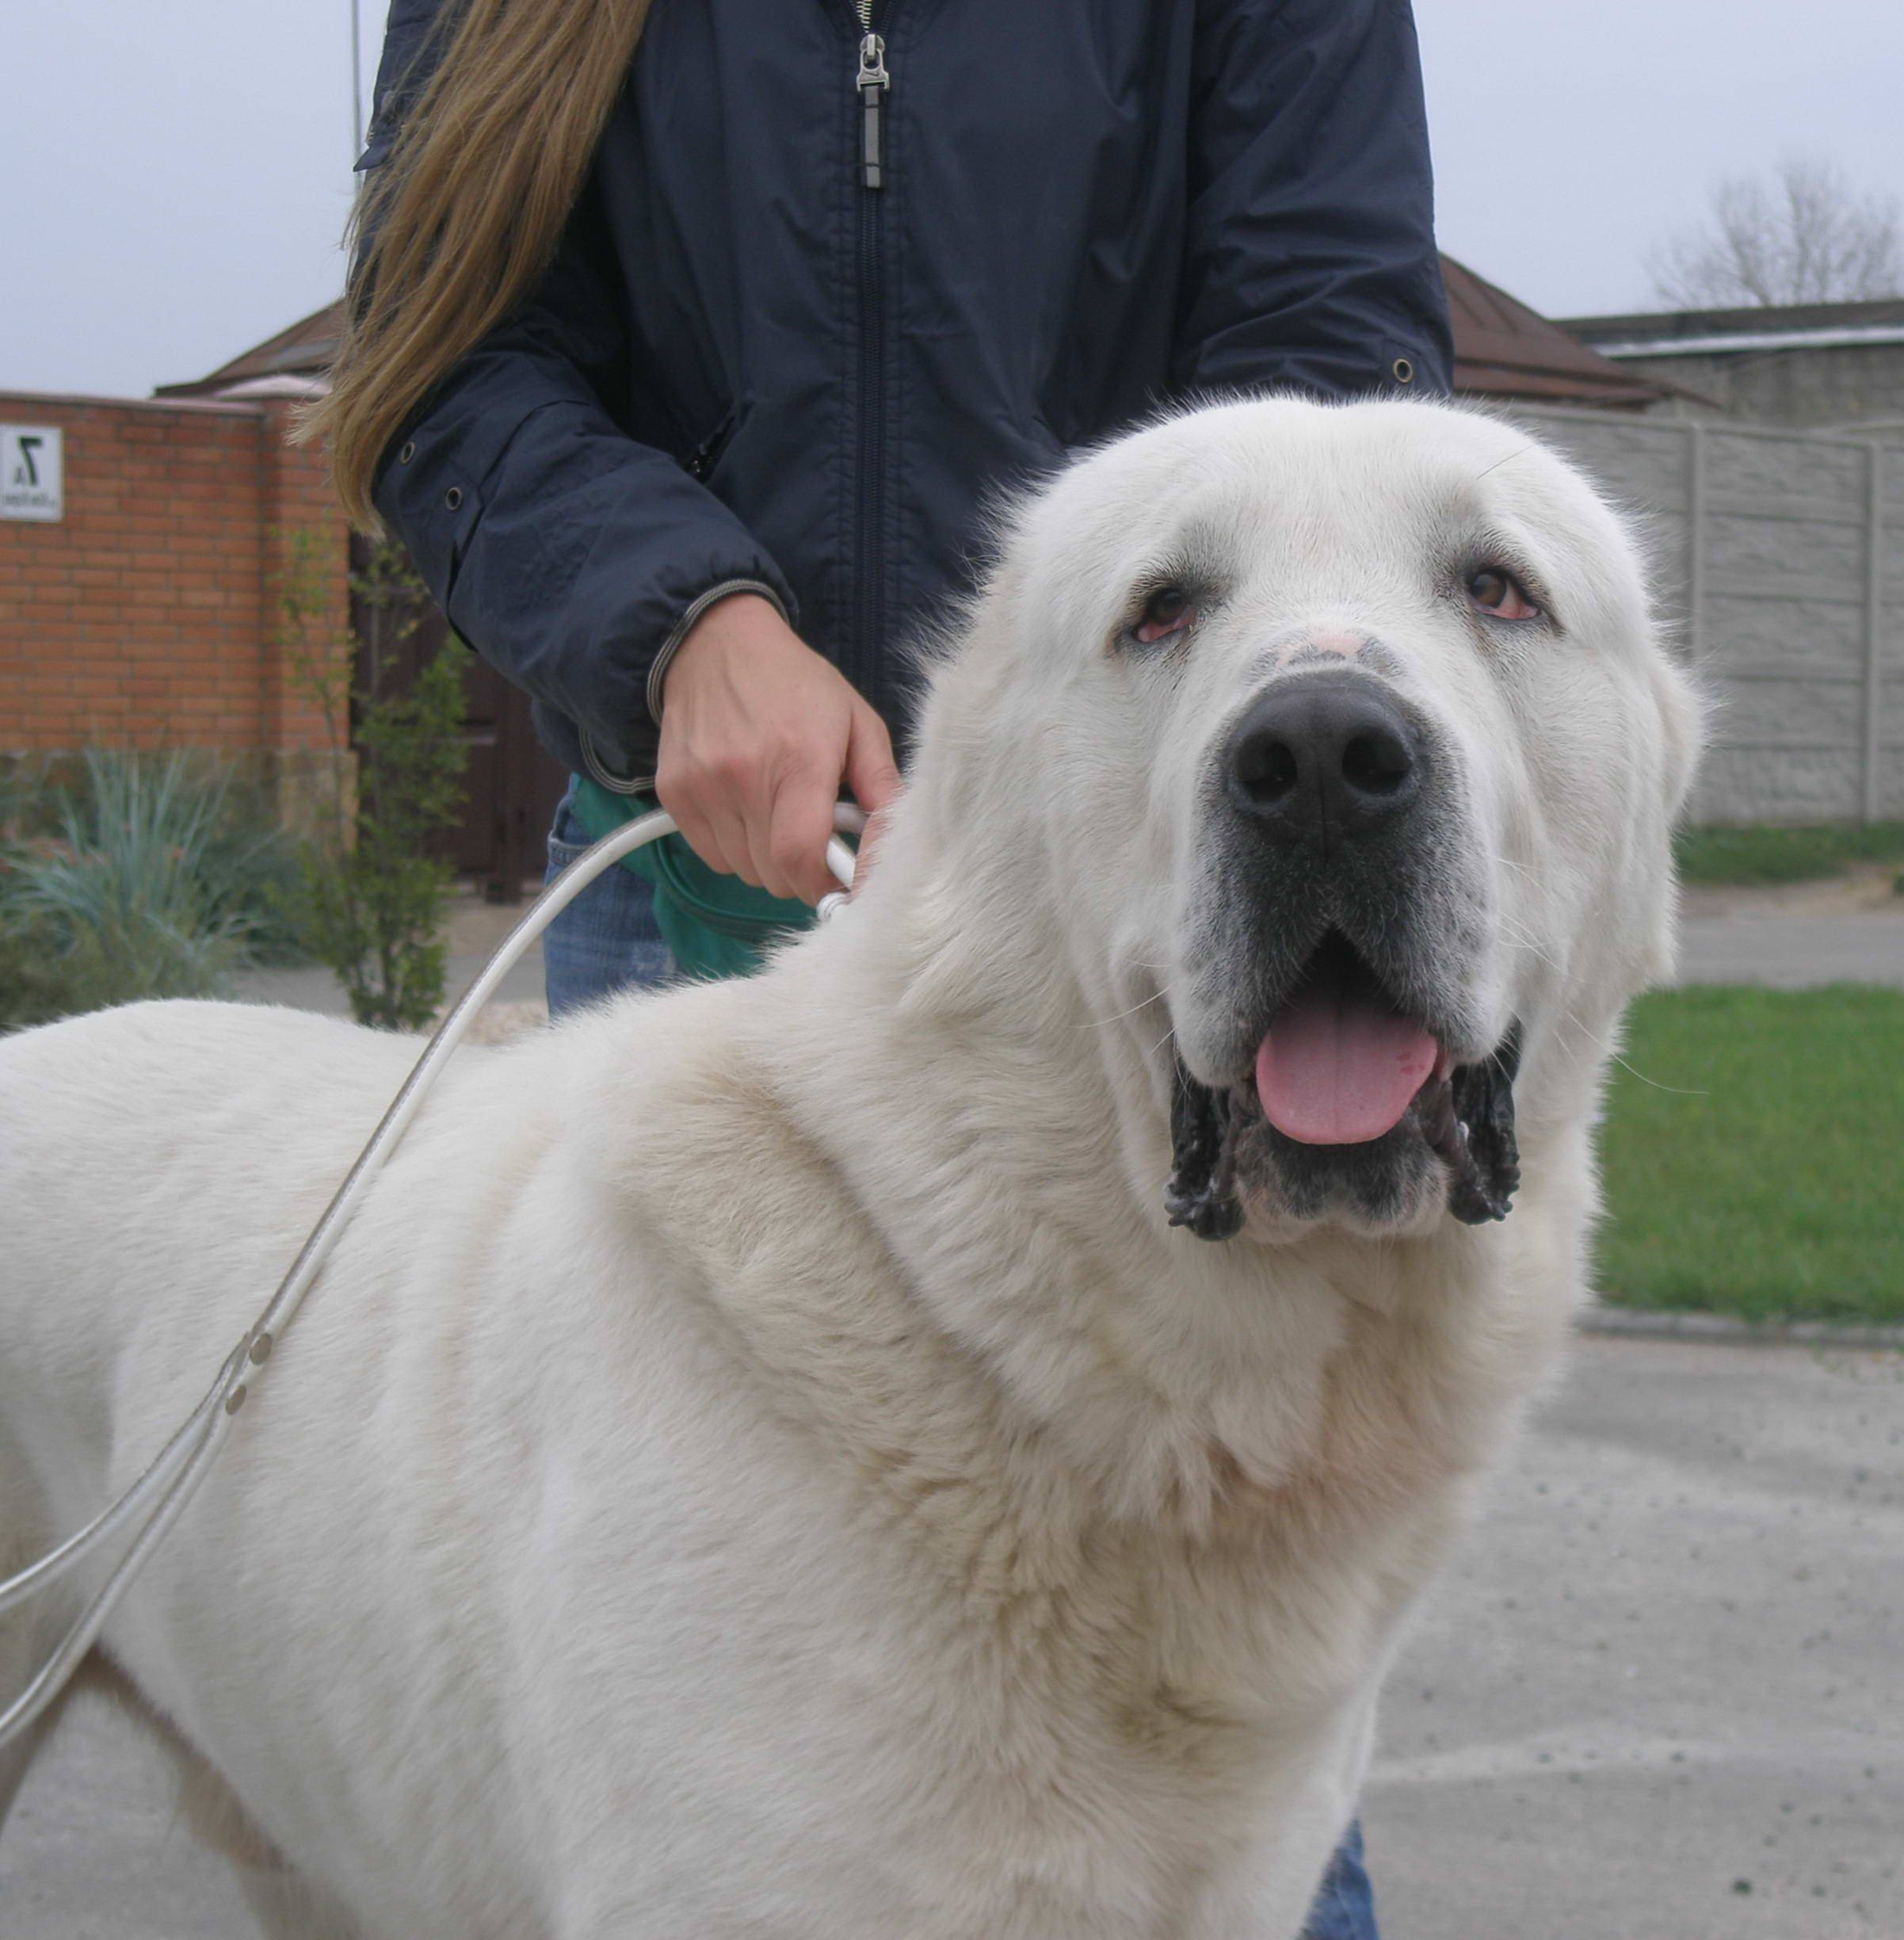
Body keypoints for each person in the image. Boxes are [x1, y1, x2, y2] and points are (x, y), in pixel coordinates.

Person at [320, 2, 1455, 1931]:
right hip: (702, 889)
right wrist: (680, 619)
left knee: (1212, 1698)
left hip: (1137, 921)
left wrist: (1120, 679)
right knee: (700, 1730)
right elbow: (449, 368)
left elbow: (1328, 358)